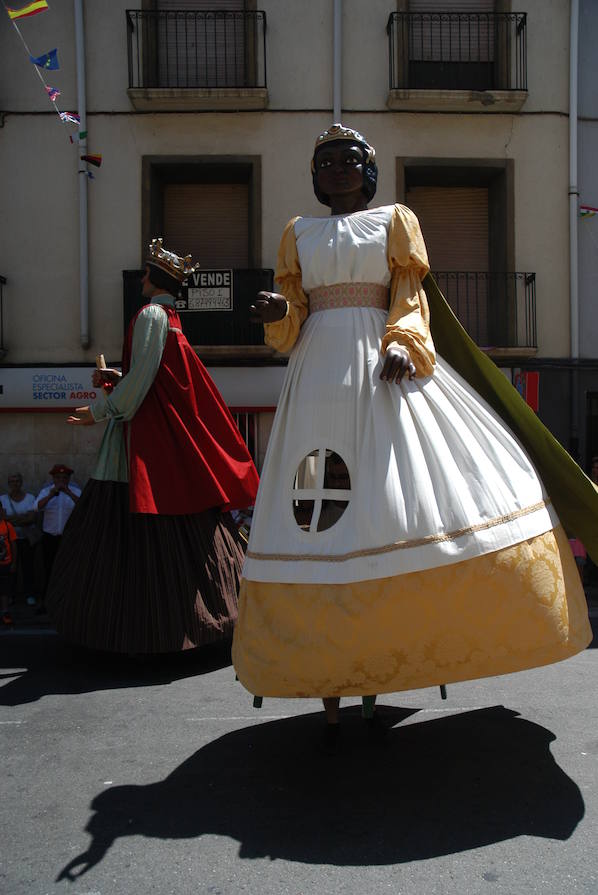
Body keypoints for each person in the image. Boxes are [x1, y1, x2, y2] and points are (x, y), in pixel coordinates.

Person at [232, 123, 595, 740]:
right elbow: (293, 319)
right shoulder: (298, 233)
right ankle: (327, 678)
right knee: (318, 505)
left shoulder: (395, 221)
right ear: (314, 177)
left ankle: (380, 655)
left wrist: (403, 342)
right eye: (327, 161)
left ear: (368, 172)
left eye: (350, 159)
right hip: (317, 376)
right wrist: (279, 312)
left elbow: (409, 296)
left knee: (389, 498)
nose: (338, 168)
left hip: (380, 369)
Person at [45, 239, 259, 654]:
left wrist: (101, 409)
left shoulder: (150, 315)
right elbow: (152, 373)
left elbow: (143, 379)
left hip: (142, 438)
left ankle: (137, 630)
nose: (141, 278)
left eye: (145, 273)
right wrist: (115, 378)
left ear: (155, 279)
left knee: (117, 525)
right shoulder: (171, 317)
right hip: (157, 432)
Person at [36, 464, 81, 591]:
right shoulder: (46, 491)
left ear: (69, 479)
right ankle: (48, 599)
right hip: (50, 538)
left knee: (69, 568)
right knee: (48, 568)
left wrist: (68, 492)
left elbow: (84, 507)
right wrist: (50, 495)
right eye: (58, 477)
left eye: (64, 477)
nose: (61, 480)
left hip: (69, 538)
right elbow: (36, 507)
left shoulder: (76, 491)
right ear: (53, 479)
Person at [0, 473, 39, 606]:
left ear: (21, 482)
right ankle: (11, 595)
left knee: (28, 567)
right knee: (10, 569)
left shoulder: (30, 498)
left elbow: (32, 519)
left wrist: (12, 520)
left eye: (17, 481)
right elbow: (3, 519)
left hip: (26, 539)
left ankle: (30, 594)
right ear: (8, 484)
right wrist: (23, 519)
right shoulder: (3, 499)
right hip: (9, 540)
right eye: (12, 481)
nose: (15, 484)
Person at [0, 508, 17, 626]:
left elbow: (13, 545)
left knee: (5, 590)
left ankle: (5, 612)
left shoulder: (7, 525)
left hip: (6, 563)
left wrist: (14, 563)